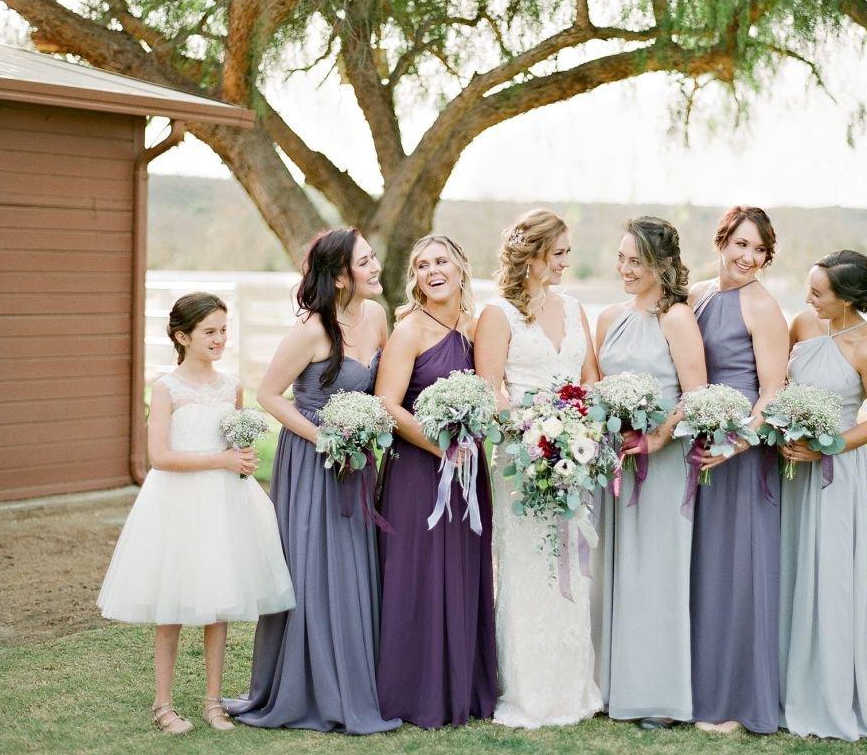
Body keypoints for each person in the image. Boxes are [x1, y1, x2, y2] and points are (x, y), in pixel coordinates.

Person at [225, 229, 400, 735]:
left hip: (359, 460)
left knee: (354, 567)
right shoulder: (312, 330)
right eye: (365, 261)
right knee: (314, 569)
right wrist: (325, 438)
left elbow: (384, 385)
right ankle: (308, 687)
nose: (375, 267)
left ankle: (357, 681)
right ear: (342, 275)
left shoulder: (378, 315)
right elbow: (269, 394)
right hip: (312, 461)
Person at [98, 292, 294, 735]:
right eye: (210, 332)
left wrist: (240, 458)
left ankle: (213, 700)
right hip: (178, 503)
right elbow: (160, 457)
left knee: (218, 601)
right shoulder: (166, 388)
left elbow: (234, 444)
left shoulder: (232, 387)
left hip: (225, 504)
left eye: (224, 330)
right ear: (182, 336)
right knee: (173, 602)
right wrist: (220, 461)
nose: (220, 339)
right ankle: (163, 703)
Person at [474, 208, 603, 728]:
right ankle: (529, 690)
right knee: (529, 565)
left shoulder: (574, 308)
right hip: (520, 456)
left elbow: (590, 377)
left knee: (572, 561)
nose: (567, 263)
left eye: (568, 253)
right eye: (560, 253)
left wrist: (578, 429)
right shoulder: (497, 313)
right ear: (531, 256)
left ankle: (573, 687)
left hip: (574, 451)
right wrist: (532, 432)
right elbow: (490, 389)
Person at [374, 234, 497, 727]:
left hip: (468, 472)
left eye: (441, 261)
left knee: (463, 572)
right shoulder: (409, 330)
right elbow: (386, 403)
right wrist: (437, 444)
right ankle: (410, 691)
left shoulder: (476, 327)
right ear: (415, 279)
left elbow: (493, 392)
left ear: (461, 267)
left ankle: (461, 688)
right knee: (417, 576)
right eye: (422, 265)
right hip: (419, 472)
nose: (432, 271)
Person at [779, 250, 867, 741]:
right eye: (808, 288)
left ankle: (829, 694)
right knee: (790, 570)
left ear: (847, 298)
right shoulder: (801, 325)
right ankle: (784, 685)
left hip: (837, 475)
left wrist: (825, 447)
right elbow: (783, 385)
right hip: (790, 471)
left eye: (818, 292)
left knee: (829, 580)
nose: (809, 299)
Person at [593, 217, 707, 729]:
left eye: (634, 261)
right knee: (613, 569)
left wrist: (657, 436)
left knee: (655, 572)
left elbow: (696, 392)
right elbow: (594, 382)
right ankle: (608, 685)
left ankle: (657, 695)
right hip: (611, 462)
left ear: (662, 265)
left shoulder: (676, 318)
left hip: (660, 466)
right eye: (620, 258)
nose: (625, 269)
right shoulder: (609, 316)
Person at [688, 206, 788, 734]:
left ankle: (734, 697)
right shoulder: (698, 295)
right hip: (697, 446)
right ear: (722, 241)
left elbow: (772, 391)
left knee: (738, 570)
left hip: (741, 456)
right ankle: (695, 683)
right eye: (741, 245)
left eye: (759, 250)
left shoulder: (762, 304)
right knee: (703, 568)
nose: (749, 258)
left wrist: (735, 445)